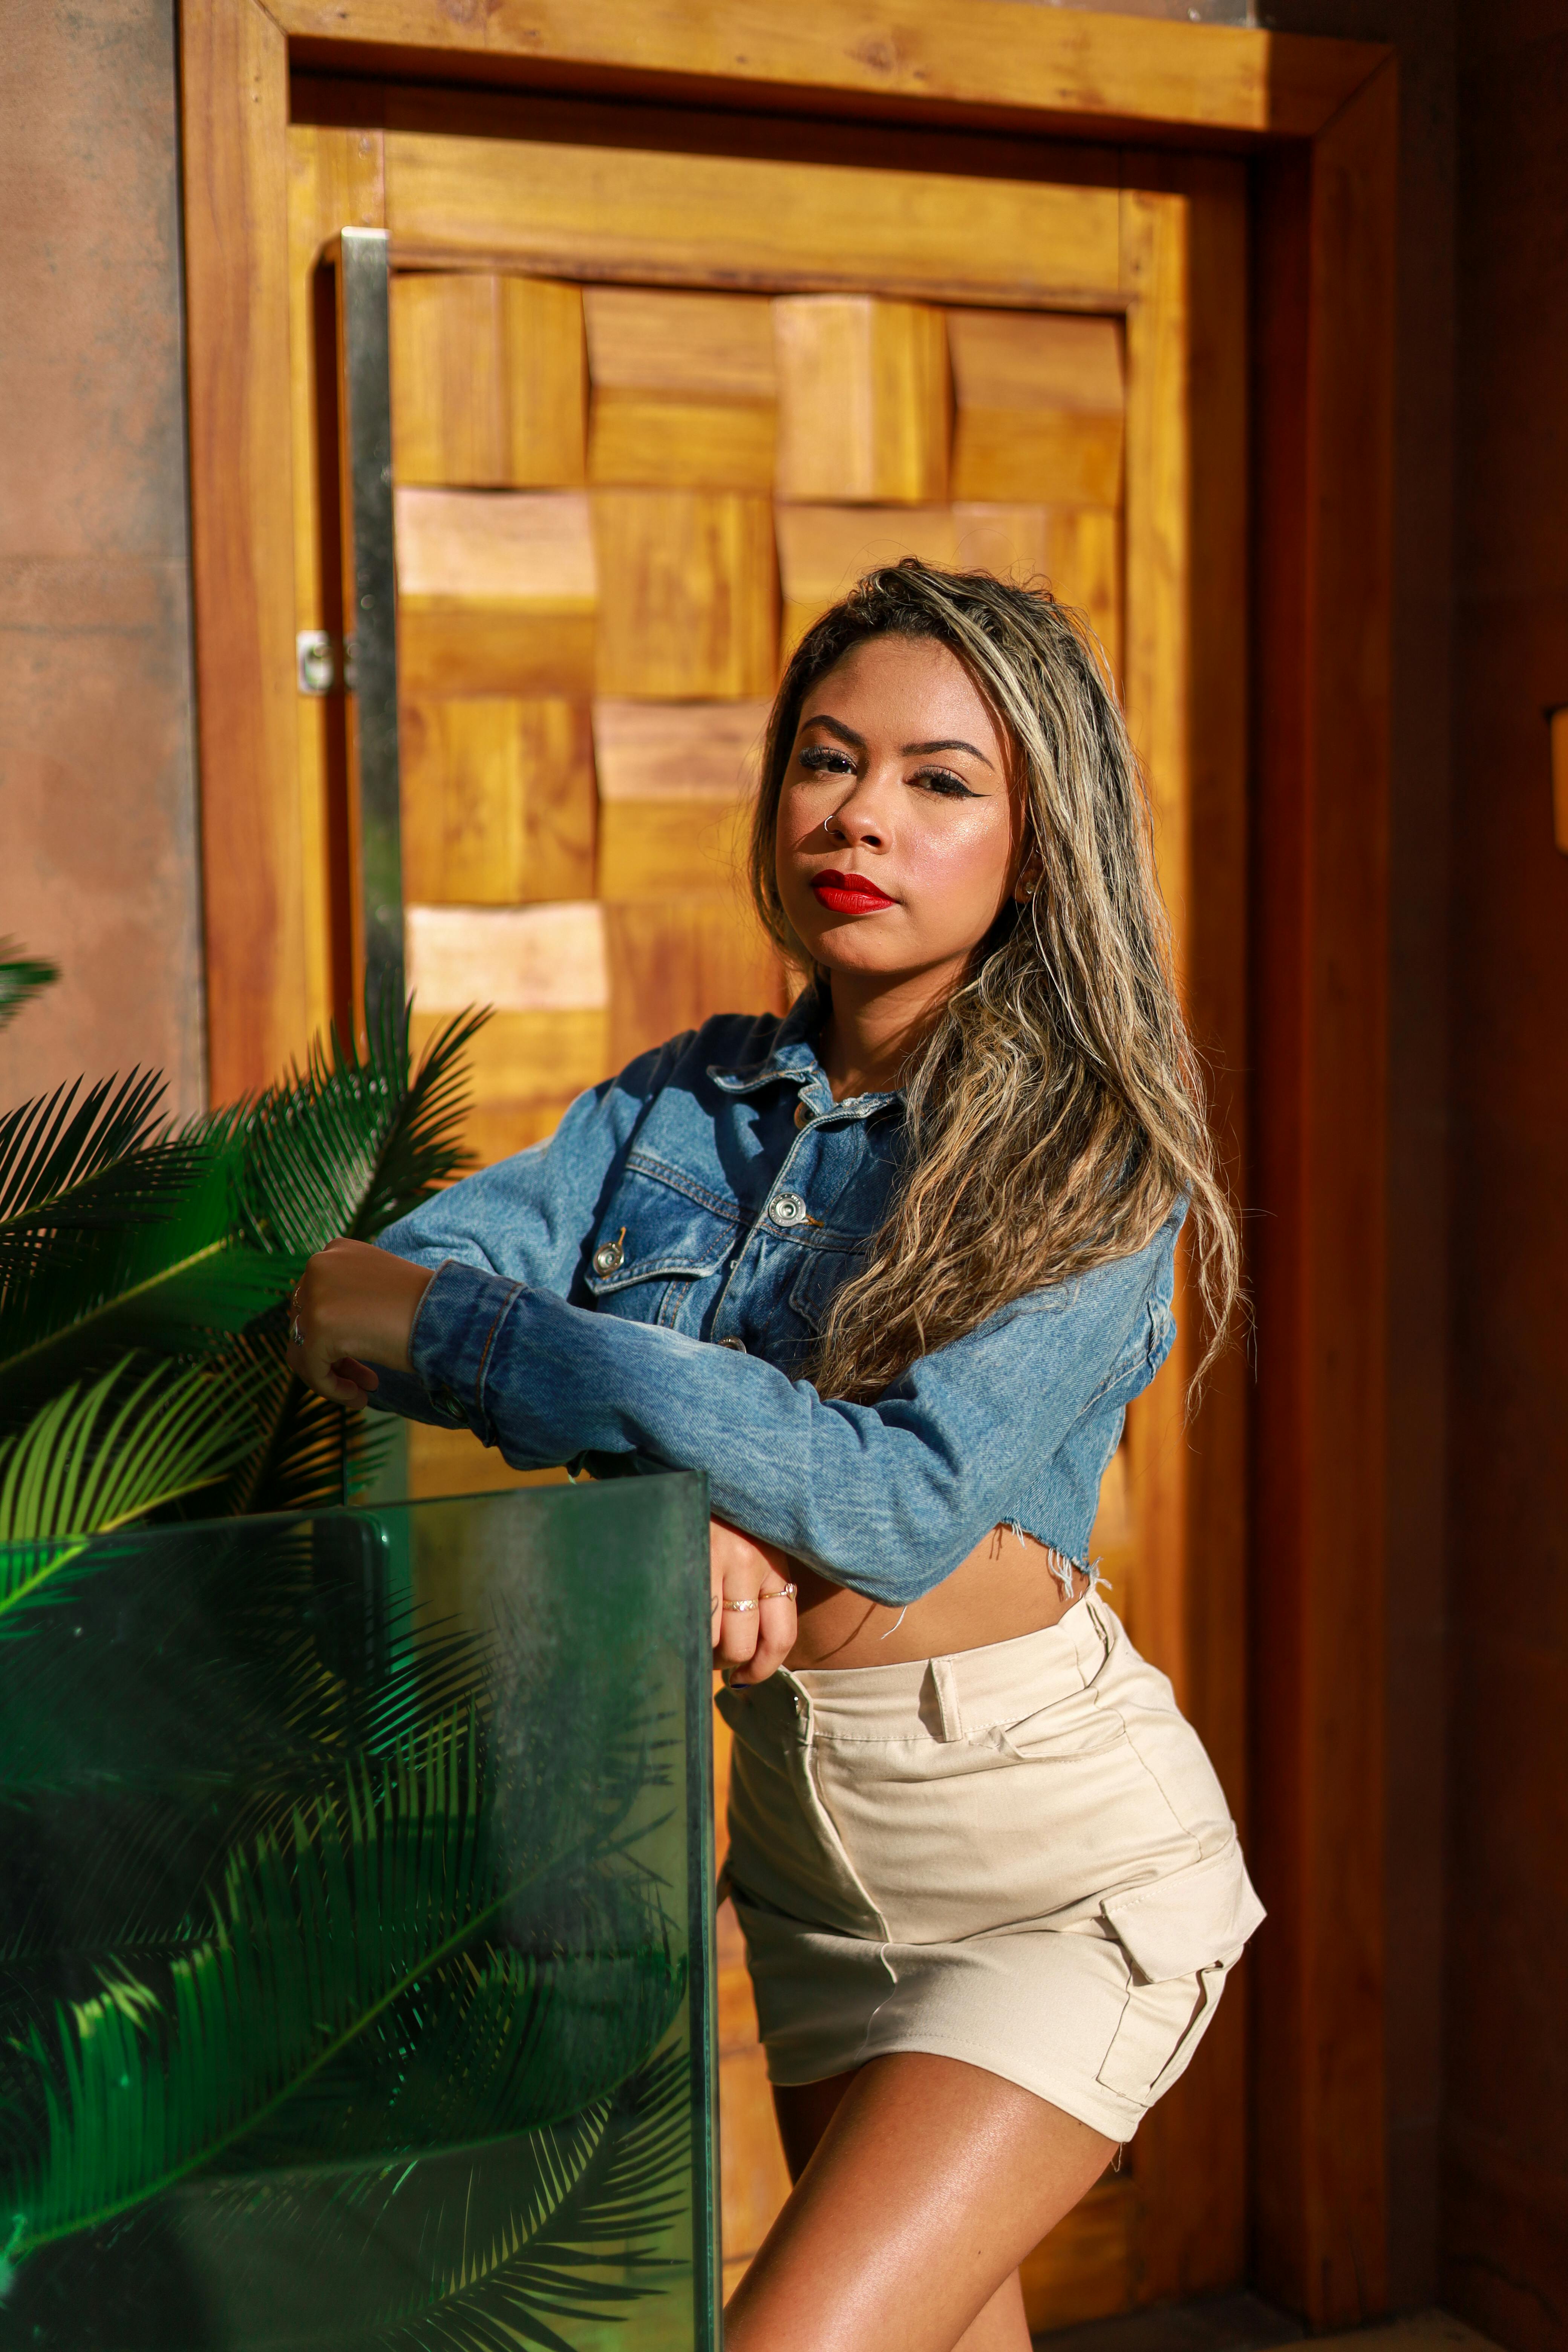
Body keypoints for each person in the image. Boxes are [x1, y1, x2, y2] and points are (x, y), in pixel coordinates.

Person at [287, 560, 1265, 2352]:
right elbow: (354, 1297)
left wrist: (561, 1374)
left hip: (1055, 1873)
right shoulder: (672, 1109)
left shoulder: (1093, 1160)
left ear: (1038, 844)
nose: (861, 817)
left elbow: (886, 1508)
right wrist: (677, 1489)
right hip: (811, 1886)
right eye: (826, 760)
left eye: (937, 779)